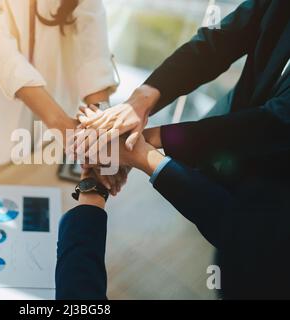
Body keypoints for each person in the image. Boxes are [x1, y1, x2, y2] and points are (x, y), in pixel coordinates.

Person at [75, 0, 290, 298]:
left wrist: (145, 143)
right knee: (229, 262)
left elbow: (274, 122)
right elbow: (220, 37)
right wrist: (142, 99)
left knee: (253, 270)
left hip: (273, 199)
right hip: (224, 151)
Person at [0, 0, 118, 191]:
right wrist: (63, 126)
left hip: (55, 128)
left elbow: (93, 43)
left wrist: (101, 128)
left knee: (45, 213)